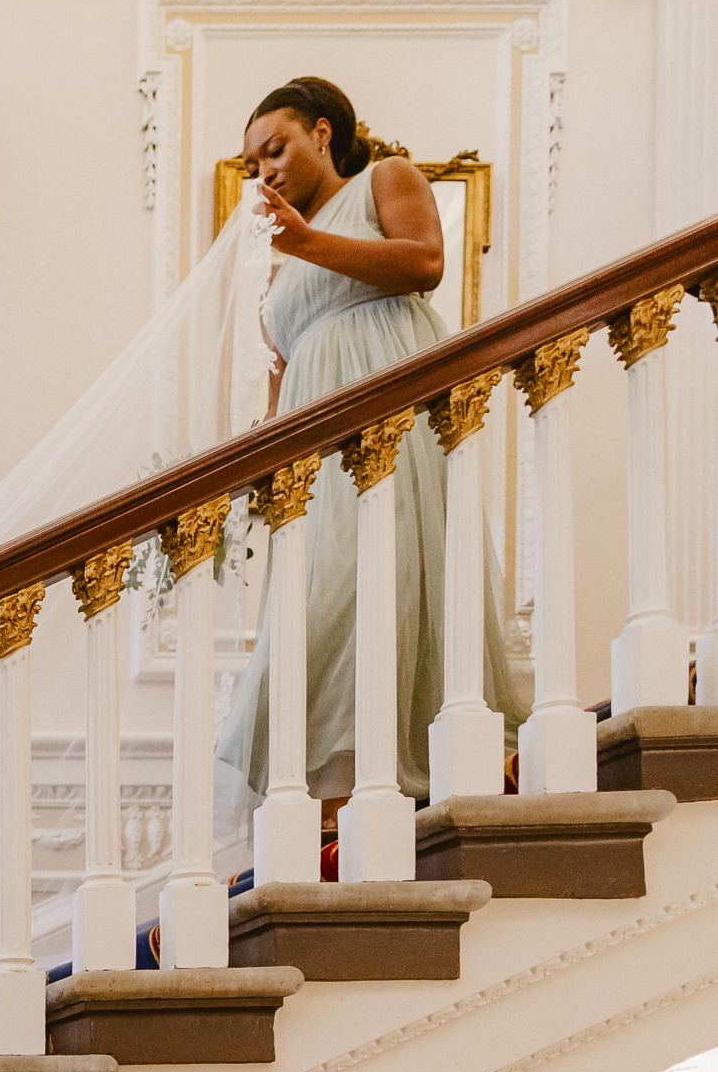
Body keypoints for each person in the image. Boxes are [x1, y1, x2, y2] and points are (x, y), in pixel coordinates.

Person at [215, 76, 526, 813]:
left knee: (380, 586)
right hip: (315, 454)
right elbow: (283, 379)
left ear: (323, 133)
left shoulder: (384, 179)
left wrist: (307, 240)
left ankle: (401, 779)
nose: (265, 171)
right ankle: (332, 798)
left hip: (391, 423)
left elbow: (424, 263)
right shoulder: (283, 265)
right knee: (316, 608)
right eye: (254, 164)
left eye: (275, 149)